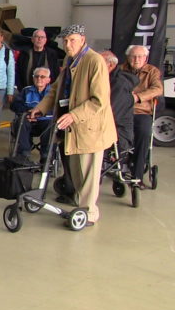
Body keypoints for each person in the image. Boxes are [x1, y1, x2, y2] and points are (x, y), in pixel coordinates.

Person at [30, 25, 116, 226]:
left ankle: (89, 214)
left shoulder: (95, 62)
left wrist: (74, 116)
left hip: (90, 128)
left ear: (82, 39)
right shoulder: (70, 60)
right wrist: (41, 108)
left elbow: (99, 100)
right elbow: (56, 89)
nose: (68, 45)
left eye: (72, 40)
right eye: (65, 41)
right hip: (73, 127)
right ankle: (81, 206)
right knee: (77, 174)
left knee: (88, 176)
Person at [120, 44, 163, 185]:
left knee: (144, 132)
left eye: (140, 56)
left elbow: (157, 89)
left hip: (141, 111)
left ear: (146, 58)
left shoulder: (152, 71)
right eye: (133, 56)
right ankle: (118, 164)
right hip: (121, 112)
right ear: (128, 57)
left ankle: (137, 176)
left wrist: (138, 97)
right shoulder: (120, 70)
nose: (136, 59)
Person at [10, 67, 52, 162]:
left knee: (51, 124)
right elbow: (14, 105)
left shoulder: (53, 92)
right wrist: (28, 112)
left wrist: (40, 113)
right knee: (20, 122)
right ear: (33, 78)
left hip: (45, 122)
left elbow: (57, 108)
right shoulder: (26, 90)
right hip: (28, 121)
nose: (39, 79)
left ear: (48, 79)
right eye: (36, 76)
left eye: (42, 77)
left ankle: (46, 155)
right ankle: (24, 154)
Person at [100, 51, 138, 153]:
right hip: (106, 127)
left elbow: (112, 113)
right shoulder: (104, 79)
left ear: (111, 65)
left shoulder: (119, 84)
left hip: (118, 132)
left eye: (99, 63)